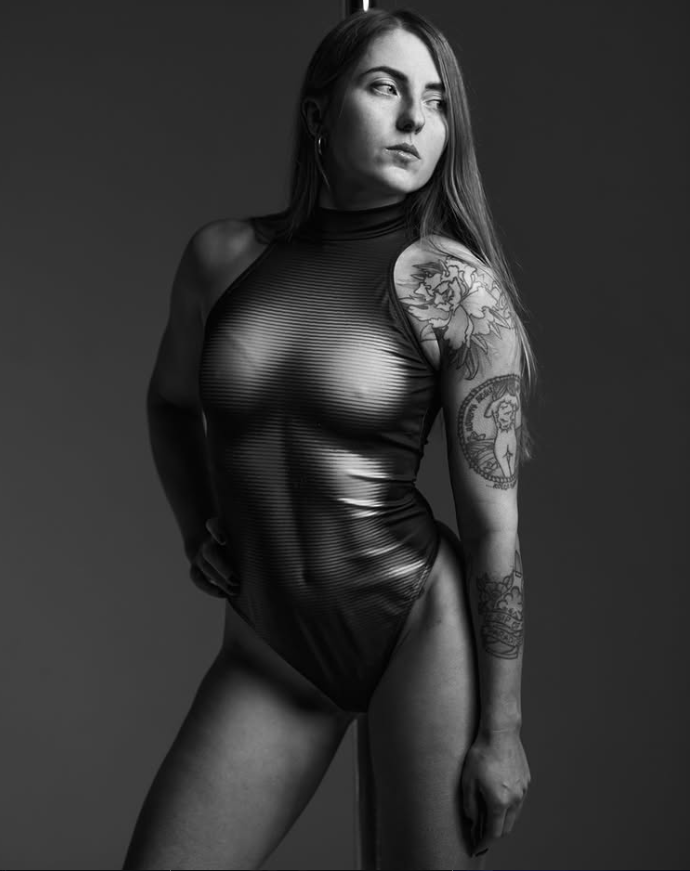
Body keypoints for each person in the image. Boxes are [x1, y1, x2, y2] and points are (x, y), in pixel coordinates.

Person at [122, 7, 535, 870]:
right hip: (272, 646)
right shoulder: (222, 258)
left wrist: (503, 731)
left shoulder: (458, 291)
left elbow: (493, 527)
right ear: (319, 112)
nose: (415, 119)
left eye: (437, 101)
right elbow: (169, 402)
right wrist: (196, 524)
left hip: (417, 629)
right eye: (385, 88)